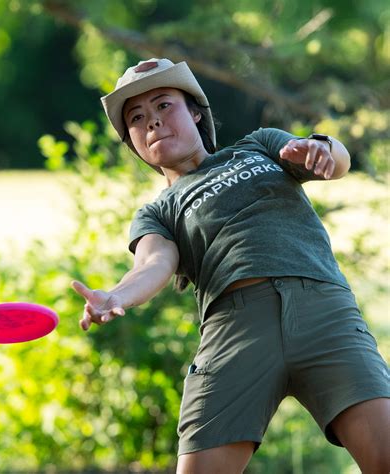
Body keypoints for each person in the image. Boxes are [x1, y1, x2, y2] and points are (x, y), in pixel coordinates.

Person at [71, 58, 390, 473]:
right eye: (137, 118)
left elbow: (334, 159)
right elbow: (152, 264)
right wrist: (115, 296)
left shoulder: (259, 145)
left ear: (196, 113)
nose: (152, 122)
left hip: (323, 310)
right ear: (133, 142)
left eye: (164, 105)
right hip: (234, 330)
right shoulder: (158, 211)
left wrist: (323, 149)